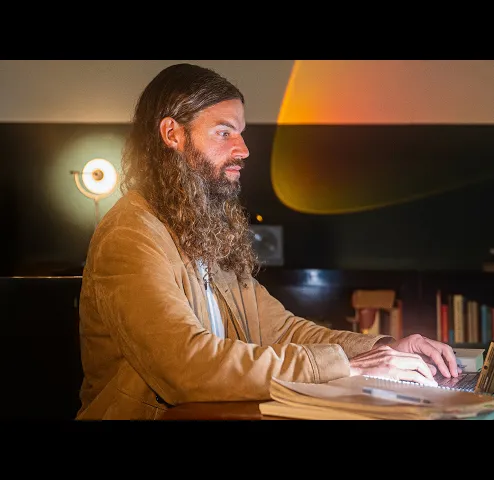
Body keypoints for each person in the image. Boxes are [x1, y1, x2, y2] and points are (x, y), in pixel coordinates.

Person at [76, 63, 460, 420]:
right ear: (172, 134)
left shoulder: (199, 227)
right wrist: (346, 367)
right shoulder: (130, 234)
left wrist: (382, 349)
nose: (243, 150)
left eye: (240, 133)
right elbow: (186, 365)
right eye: (224, 132)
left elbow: (283, 331)